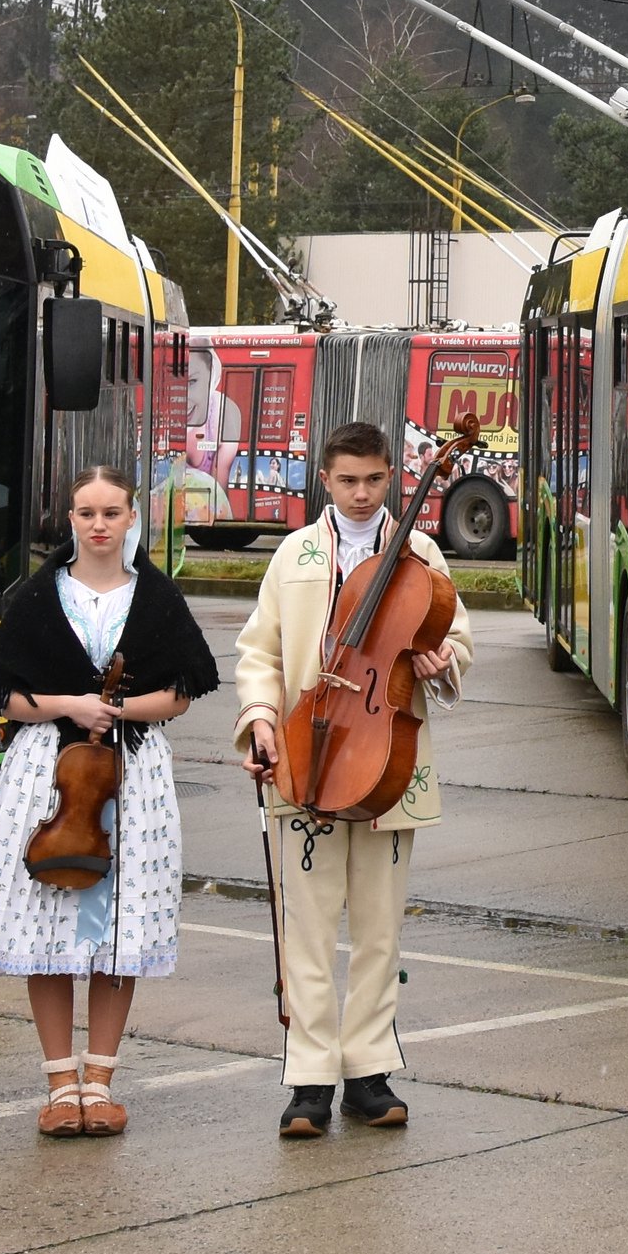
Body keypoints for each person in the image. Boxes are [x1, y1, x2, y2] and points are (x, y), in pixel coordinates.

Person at [234, 421, 471, 1140]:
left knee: (378, 928)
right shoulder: (295, 552)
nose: (362, 493)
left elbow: (457, 637)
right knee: (306, 925)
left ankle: (369, 1071)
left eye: (374, 479)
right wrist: (262, 720)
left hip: (387, 758)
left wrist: (439, 661)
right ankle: (308, 1077)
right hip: (311, 749)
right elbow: (259, 650)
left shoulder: (422, 553)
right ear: (325, 479)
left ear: (391, 476)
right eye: (348, 480)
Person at [0, 464, 220, 1139]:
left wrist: (119, 709)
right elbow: (3, 693)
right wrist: (69, 704)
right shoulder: (38, 593)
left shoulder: (156, 596)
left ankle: (101, 1080)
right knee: (47, 924)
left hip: (131, 770)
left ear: (131, 517)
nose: (99, 524)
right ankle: (59, 1083)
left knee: (117, 928)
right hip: (46, 772)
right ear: (70, 518)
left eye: (112, 511)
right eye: (87, 512)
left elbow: (183, 689)